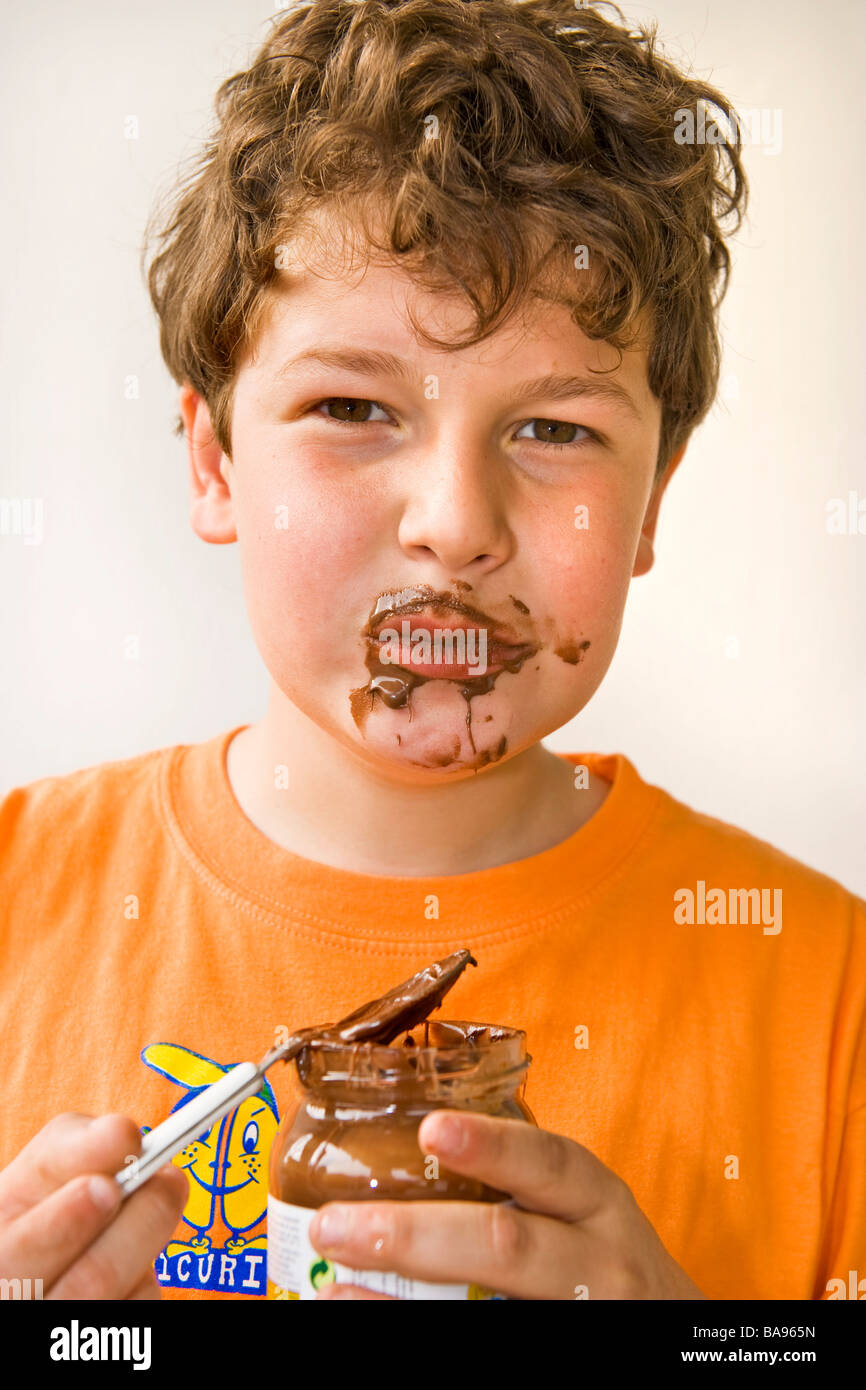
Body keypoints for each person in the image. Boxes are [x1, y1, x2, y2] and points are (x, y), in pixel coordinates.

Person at [1, 0, 863, 1302]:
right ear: (212, 456)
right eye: (350, 407)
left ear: (651, 501)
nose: (454, 525)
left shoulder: (828, 1001)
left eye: (554, 430)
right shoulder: (20, 901)